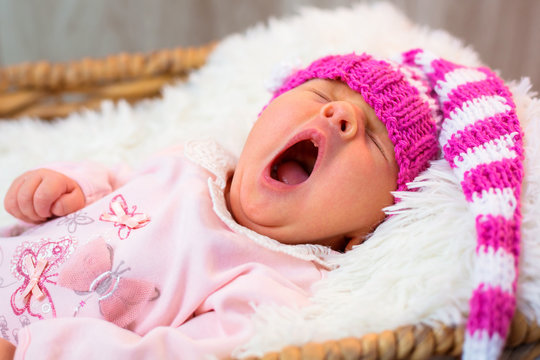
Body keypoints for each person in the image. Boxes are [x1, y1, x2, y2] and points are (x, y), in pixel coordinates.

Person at [0, 49, 522, 360]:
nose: (340, 114)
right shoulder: (192, 160)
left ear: (366, 230)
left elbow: (174, 354)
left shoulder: (275, 282)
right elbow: (114, 178)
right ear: (261, 119)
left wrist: (37, 351)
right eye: (321, 96)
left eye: (374, 141)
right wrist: (63, 185)